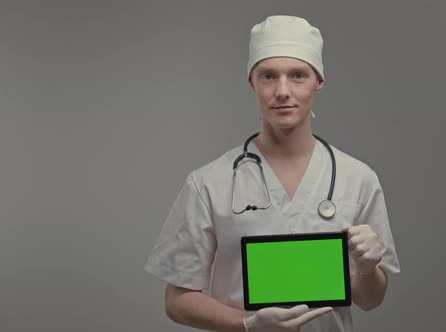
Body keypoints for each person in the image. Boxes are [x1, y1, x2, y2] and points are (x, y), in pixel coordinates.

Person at [144, 15, 401, 332]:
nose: (282, 91)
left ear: (318, 82)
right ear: (251, 82)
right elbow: (176, 300)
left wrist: (368, 267)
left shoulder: (358, 179)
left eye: (297, 76)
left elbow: (370, 299)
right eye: (268, 76)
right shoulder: (209, 184)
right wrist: (246, 323)